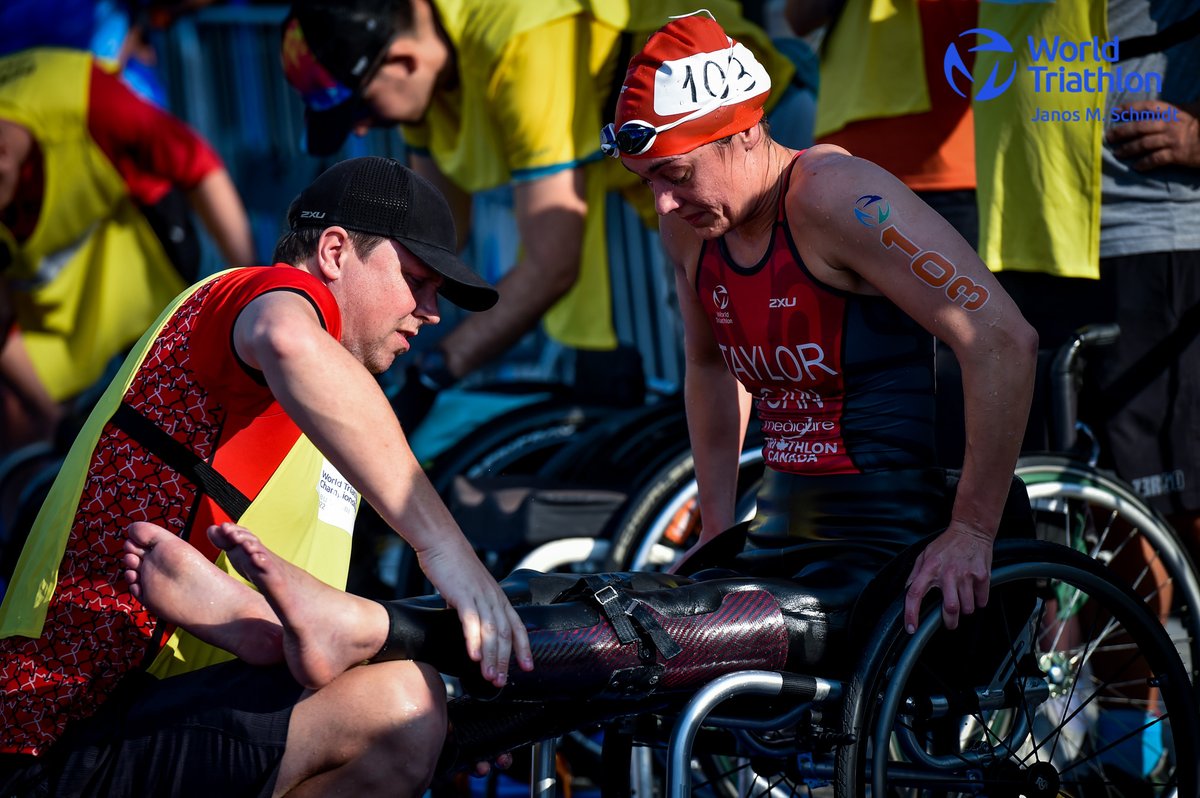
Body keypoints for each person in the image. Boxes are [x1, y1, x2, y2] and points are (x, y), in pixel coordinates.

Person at [0, 156, 532, 797]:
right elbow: (285, 337)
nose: (431, 310)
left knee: (416, 720)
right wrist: (447, 551)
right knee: (401, 707)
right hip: (54, 732)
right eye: (417, 279)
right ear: (335, 251)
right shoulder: (256, 296)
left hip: (160, 720)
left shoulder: (334, 406)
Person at [601, 11, 1036, 632]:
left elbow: (1003, 341)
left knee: (673, 640)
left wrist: (971, 529)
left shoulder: (838, 199)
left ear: (747, 133)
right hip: (778, 528)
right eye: (647, 182)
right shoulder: (690, 228)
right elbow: (707, 363)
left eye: (675, 176)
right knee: (590, 623)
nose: (663, 204)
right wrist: (719, 524)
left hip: (889, 540)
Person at [280, 0, 816, 422]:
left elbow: (553, 260)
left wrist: (436, 372)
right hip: (670, 178)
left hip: (747, 145)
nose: (361, 129)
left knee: (778, 355)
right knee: (713, 345)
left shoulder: (516, 35)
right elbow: (426, 238)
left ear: (402, 61)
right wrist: (342, 334)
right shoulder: (426, 69)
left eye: (363, 105)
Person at [0, 46, 256, 453]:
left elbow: (197, 163)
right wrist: (53, 422)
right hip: (52, 295)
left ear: (4, 157)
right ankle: (42, 497)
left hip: (145, 248)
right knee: (18, 413)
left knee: (181, 394)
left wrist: (251, 289)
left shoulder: (87, 98)